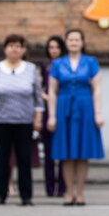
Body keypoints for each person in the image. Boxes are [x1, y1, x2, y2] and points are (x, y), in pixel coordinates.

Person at [0, 34, 43, 205]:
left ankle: (26, 195)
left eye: (18, 46)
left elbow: (38, 98)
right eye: (11, 46)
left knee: (24, 159)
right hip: (1, 120)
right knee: (2, 159)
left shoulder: (31, 69)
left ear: (23, 50)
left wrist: (38, 119)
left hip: (24, 121)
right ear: (5, 49)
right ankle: (1, 193)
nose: (14, 49)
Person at [47, 28, 104, 206]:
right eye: (70, 40)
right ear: (66, 42)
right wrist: (52, 116)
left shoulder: (91, 62)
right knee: (67, 153)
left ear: (82, 42)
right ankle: (68, 193)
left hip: (85, 107)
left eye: (77, 40)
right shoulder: (57, 64)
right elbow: (52, 91)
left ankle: (80, 193)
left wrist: (98, 113)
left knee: (82, 153)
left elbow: (97, 89)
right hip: (64, 108)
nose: (73, 43)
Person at [39, 35, 67, 198]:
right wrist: (46, 97)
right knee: (48, 151)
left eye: (56, 47)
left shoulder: (65, 66)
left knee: (63, 150)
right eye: (51, 48)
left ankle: (62, 186)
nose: (54, 50)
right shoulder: (44, 67)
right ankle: (49, 187)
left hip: (62, 108)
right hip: (47, 111)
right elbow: (39, 87)